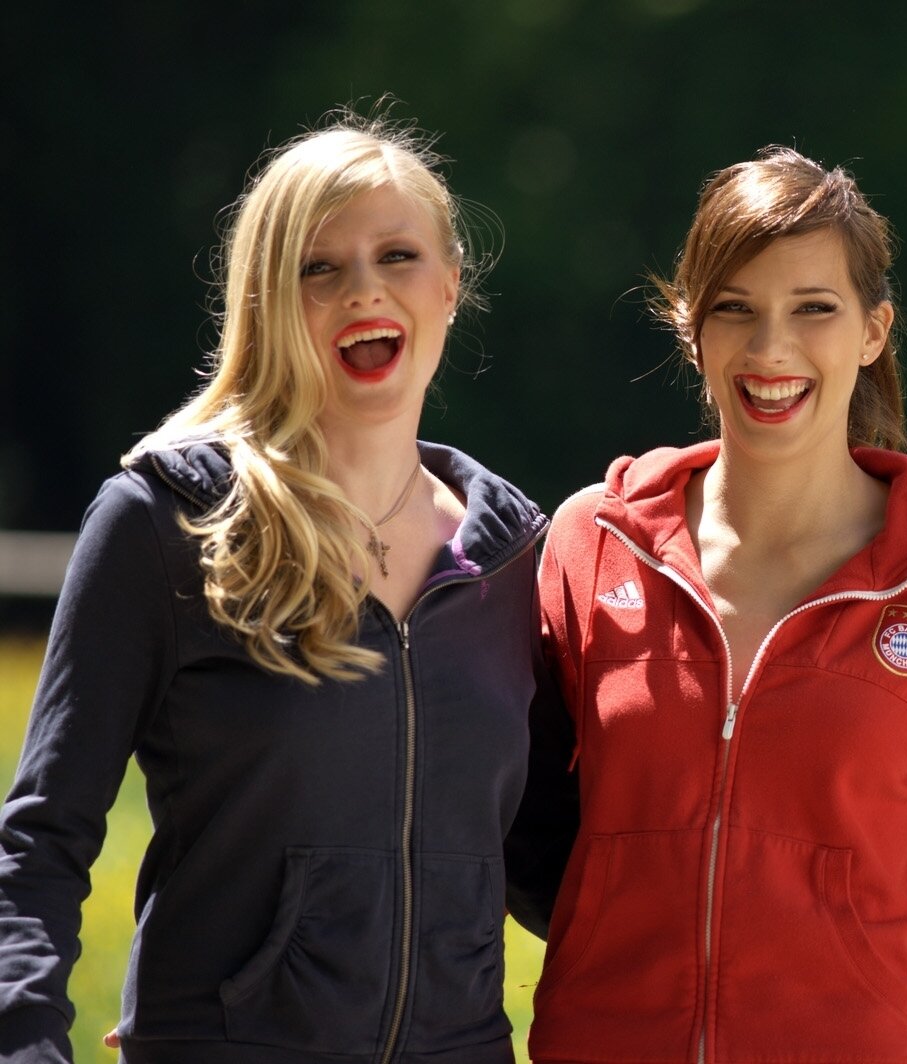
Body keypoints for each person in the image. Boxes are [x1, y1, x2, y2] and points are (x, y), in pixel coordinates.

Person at [0, 114, 574, 1063]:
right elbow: (38, 846)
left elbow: (552, 865)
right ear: (266, 302)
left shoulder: (517, 560)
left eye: (397, 256)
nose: (363, 290)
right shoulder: (166, 524)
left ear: (449, 283)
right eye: (319, 268)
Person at [506, 147, 907, 1063]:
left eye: (814, 309)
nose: (771, 350)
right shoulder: (591, 542)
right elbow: (517, 822)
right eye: (736, 309)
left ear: (873, 330)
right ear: (690, 327)